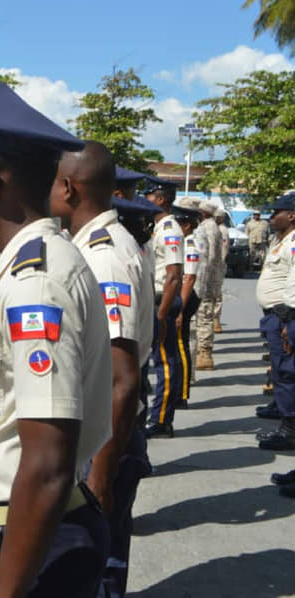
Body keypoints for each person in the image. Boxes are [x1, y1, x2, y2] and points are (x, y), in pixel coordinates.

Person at [0, 75, 111, 597]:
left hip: (28, 542)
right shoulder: (22, 266)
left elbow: (46, 463)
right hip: (19, 531)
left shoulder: (36, 281)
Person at [50, 143, 150, 598]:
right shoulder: (91, 246)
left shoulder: (104, 256)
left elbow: (122, 377)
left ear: (68, 188)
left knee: (99, 562)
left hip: (107, 436)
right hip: (102, 429)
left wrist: (100, 474)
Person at [143, 176, 184, 438]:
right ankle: (159, 415)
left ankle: (161, 419)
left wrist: (161, 314)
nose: (144, 200)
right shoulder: (158, 227)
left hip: (163, 301)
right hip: (156, 299)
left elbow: (174, 275)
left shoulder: (169, 229)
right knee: (160, 360)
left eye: (148, 195)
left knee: (166, 363)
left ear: (159, 199)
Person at [255, 195, 295, 450]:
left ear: (291, 215)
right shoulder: (279, 239)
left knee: (287, 373)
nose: (271, 217)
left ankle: (289, 429)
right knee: (281, 372)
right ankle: (286, 420)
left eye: (276, 212)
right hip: (275, 315)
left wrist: (286, 318)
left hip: (284, 315)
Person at [172, 199, 203, 408]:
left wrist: (180, 309)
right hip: (179, 295)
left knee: (181, 345)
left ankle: (182, 393)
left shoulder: (190, 244)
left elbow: (189, 279)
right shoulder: (182, 242)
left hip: (186, 297)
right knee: (175, 345)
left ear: (187, 225)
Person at [194, 200, 223, 370]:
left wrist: (203, 282)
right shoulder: (206, 225)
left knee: (204, 315)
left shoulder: (209, 227)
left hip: (206, 280)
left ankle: (204, 354)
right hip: (206, 279)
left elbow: (210, 257)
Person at [214, 208, 230, 332]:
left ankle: (216, 319)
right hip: (210, 266)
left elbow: (224, 249)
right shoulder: (211, 228)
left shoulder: (222, 230)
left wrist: (219, 264)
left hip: (217, 266)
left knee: (217, 294)